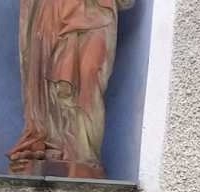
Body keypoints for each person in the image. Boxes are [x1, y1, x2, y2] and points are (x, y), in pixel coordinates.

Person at [7, 0, 135, 178]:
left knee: (89, 79)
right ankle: (50, 142)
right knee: (50, 80)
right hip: (54, 11)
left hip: (97, 13)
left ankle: (83, 153)